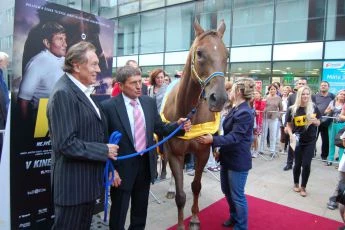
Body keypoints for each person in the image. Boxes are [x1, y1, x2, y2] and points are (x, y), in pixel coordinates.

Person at [100, 65, 191, 230]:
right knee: (119, 214)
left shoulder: (148, 102)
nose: (138, 86)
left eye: (140, 81)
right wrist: (111, 170)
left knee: (140, 213)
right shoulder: (108, 107)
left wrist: (177, 126)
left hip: (145, 167)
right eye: (133, 83)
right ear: (120, 85)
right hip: (122, 170)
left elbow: (160, 127)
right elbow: (103, 142)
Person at [46, 41, 119, 230]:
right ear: (77, 65)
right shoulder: (64, 93)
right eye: (93, 64)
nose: (98, 69)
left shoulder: (81, 90)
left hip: (85, 187)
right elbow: (66, 143)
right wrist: (104, 150)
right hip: (73, 190)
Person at [196, 78, 255, 230]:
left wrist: (212, 140)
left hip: (238, 160)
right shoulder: (236, 108)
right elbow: (228, 133)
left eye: (232, 89)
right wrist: (219, 150)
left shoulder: (245, 112)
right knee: (227, 191)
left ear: (239, 92)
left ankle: (241, 226)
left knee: (237, 195)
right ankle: (234, 217)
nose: (228, 92)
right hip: (227, 157)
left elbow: (235, 137)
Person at [18, 22, 67, 119]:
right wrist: (25, 129)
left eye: (65, 39)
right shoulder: (37, 62)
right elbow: (23, 101)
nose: (65, 44)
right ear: (47, 43)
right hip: (41, 123)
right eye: (60, 39)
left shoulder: (64, 60)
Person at [285, 86, 321, 197]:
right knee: (297, 164)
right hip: (297, 140)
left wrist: (315, 121)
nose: (305, 96)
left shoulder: (314, 107)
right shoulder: (292, 109)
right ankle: (296, 183)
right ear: (299, 95)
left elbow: (319, 122)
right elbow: (289, 126)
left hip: (310, 140)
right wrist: (291, 135)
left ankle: (303, 186)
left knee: (306, 164)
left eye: (307, 94)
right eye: (303, 94)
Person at [283, 78, 315, 171]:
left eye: (303, 83)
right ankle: (289, 163)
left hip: (306, 126)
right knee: (292, 145)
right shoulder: (292, 96)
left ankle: (301, 163)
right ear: (297, 85)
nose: (301, 85)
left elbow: (314, 111)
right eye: (299, 83)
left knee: (302, 147)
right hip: (293, 126)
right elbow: (288, 112)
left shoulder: (311, 97)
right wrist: (286, 125)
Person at [315, 81, 335, 161]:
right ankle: (312, 153)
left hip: (327, 121)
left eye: (325, 85)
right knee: (313, 138)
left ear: (328, 87)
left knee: (325, 140)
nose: (323, 87)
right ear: (320, 87)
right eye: (322, 85)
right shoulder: (315, 96)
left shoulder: (332, 96)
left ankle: (324, 155)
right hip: (316, 120)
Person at [260, 84, 282, 156]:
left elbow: (281, 109)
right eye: (271, 89)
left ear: (276, 90)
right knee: (263, 134)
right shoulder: (265, 97)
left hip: (274, 118)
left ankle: (272, 151)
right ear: (269, 90)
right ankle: (261, 149)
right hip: (265, 117)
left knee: (273, 135)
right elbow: (261, 106)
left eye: (274, 89)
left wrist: (278, 115)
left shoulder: (278, 98)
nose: (272, 90)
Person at [325, 90, 345, 166]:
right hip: (332, 124)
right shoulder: (332, 102)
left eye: (344, 94)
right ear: (337, 95)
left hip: (342, 124)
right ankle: (330, 159)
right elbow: (326, 111)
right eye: (341, 94)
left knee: (341, 143)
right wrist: (330, 110)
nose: (342, 95)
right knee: (331, 142)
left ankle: (341, 161)